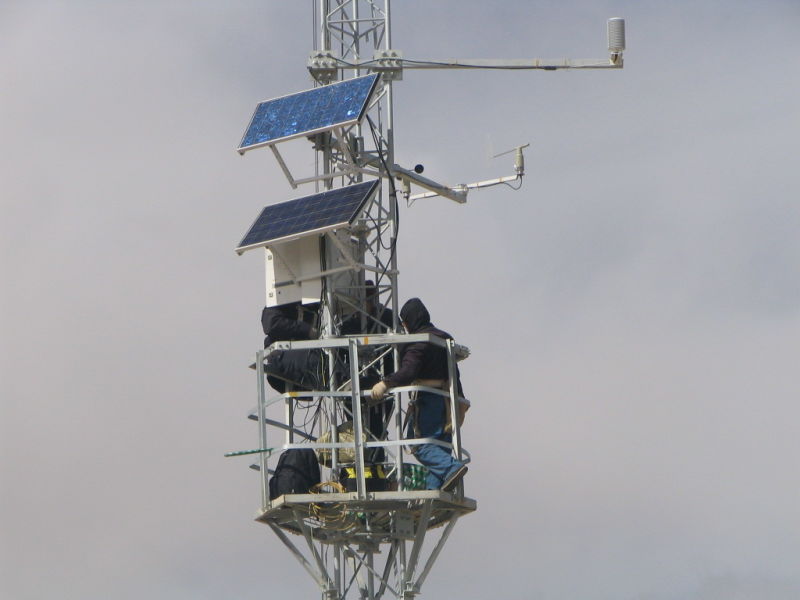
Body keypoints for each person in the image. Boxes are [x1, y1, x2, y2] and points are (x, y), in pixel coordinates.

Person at [370, 298, 467, 491]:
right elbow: (454, 373)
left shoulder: (419, 342)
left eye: (405, 323)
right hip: (448, 401)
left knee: (418, 444)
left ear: (409, 321)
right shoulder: (443, 338)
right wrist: (460, 403)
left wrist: (385, 383)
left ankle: (451, 468)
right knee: (439, 448)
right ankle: (434, 488)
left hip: (428, 400)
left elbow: (409, 372)